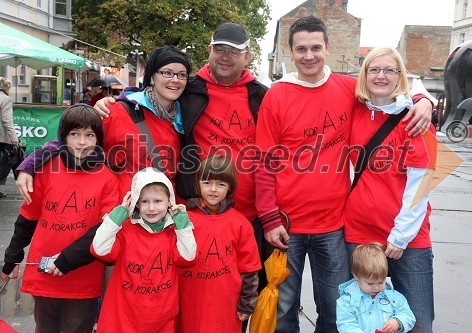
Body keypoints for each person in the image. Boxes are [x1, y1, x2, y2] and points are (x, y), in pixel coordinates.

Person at [254, 17, 432, 333]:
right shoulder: (277, 95)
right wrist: (269, 218)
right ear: (291, 51)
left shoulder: (348, 89)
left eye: (316, 48)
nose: (309, 55)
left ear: (328, 48)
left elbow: (391, 89)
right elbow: (265, 162)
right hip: (286, 224)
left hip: (334, 225)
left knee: (338, 312)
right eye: (301, 49)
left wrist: (424, 100)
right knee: (282, 311)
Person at [91, 23, 270, 332]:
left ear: (248, 56)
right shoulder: (188, 91)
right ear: (209, 51)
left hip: (243, 214)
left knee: (230, 296)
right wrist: (33, 162)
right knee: (167, 295)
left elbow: (279, 151)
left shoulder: (260, 95)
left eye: (235, 51)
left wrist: (271, 214)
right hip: (184, 212)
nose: (226, 57)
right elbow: (77, 137)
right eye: (219, 49)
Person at [1, 104, 120, 333]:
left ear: (98, 138)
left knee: (78, 328)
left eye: (89, 135)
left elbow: (104, 229)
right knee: (45, 327)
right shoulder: (46, 169)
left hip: (82, 274)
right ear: (63, 136)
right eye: (74, 134)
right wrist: (12, 256)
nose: (82, 142)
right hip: (44, 273)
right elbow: (28, 217)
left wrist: (67, 259)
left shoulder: (106, 178)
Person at [16, 45, 191, 200]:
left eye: (182, 75)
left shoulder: (186, 120)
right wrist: (30, 165)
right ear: (152, 77)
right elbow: (70, 142)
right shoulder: (115, 112)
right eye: (167, 73)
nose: (175, 80)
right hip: (118, 216)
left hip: (161, 216)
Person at [343, 47, 437, 333]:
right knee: (362, 321)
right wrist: (425, 98)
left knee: (418, 322)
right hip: (359, 233)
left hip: (408, 239)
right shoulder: (354, 110)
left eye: (389, 70)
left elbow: (422, 185)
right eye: (374, 69)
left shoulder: (416, 120)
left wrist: (400, 236)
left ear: (401, 76)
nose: (381, 76)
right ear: (364, 74)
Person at [90, 167, 196, 333]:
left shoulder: (175, 231)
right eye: (145, 201)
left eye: (158, 201)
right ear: (136, 202)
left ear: (170, 201)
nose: (151, 208)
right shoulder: (125, 229)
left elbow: (188, 257)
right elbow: (99, 249)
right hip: (123, 317)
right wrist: (118, 215)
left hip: (161, 319)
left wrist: (183, 226)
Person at [179, 154, 261, 332]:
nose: (213, 189)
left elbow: (250, 270)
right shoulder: (182, 219)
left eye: (221, 184)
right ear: (197, 183)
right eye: (207, 182)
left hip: (225, 307)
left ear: (230, 187)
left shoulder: (241, 224)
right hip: (188, 305)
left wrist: (247, 305)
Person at [337, 243, 416, 333]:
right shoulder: (346, 301)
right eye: (370, 284)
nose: (376, 288)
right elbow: (346, 325)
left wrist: (397, 321)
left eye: (381, 282)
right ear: (356, 276)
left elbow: (408, 315)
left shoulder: (394, 297)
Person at [0, 77, 19, 198]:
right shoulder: (5, 99)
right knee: (4, 163)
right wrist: (14, 138)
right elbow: (7, 120)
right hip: (1, 138)